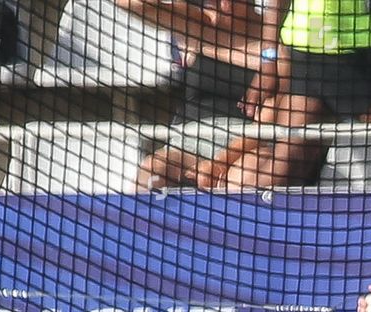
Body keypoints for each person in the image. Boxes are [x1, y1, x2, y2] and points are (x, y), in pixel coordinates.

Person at [119, 0, 324, 190]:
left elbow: (267, 122)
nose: (223, 5)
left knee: (250, 174)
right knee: (152, 170)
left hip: (245, 147)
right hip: (190, 140)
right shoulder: (197, 26)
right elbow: (131, 4)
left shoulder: (275, 43)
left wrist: (219, 162)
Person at [254, 0, 371, 189]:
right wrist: (267, 61)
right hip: (339, 51)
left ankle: (238, 213)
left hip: (305, 47)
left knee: (291, 159)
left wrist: (267, 60)